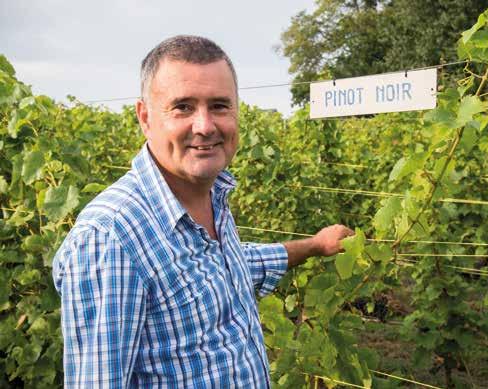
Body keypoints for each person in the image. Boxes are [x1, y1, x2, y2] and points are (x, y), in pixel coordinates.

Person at [52, 35, 353, 388]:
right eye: (183, 107)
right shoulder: (111, 239)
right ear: (145, 117)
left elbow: (232, 266)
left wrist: (315, 245)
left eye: (220, 106)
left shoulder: (212, 198)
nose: (205, 125)